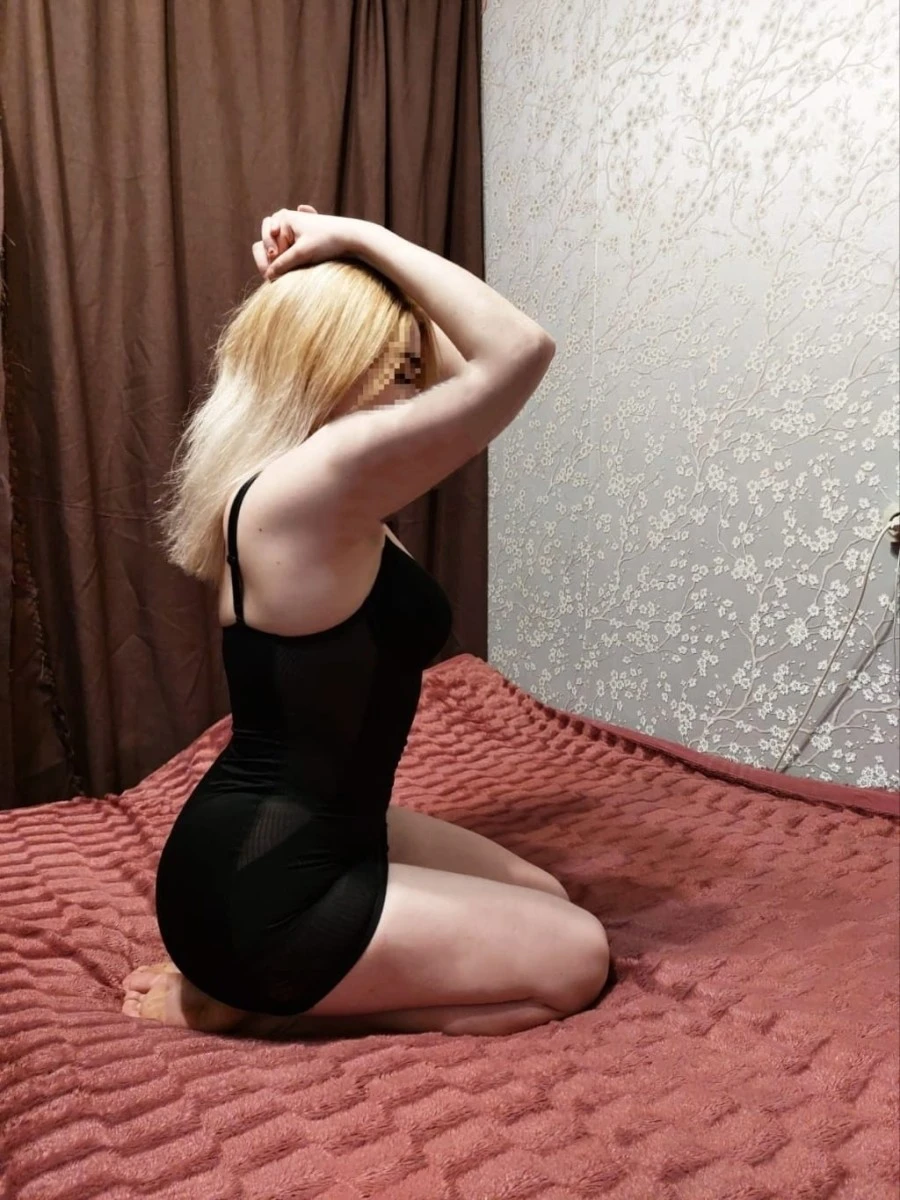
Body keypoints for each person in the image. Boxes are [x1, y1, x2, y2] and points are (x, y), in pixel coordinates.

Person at [122, 208, 610, 1038]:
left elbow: (470, 367)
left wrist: (359, 269)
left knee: (545, 896)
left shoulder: (318, 482)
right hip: (261, 895)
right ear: (334, 365)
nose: (416, 387)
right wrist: (358, 238)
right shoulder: (310, 485)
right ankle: (253, 1002)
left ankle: (263, 984)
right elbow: (517, 352)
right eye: (397, 366)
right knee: (576, 958)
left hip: (312, 830)